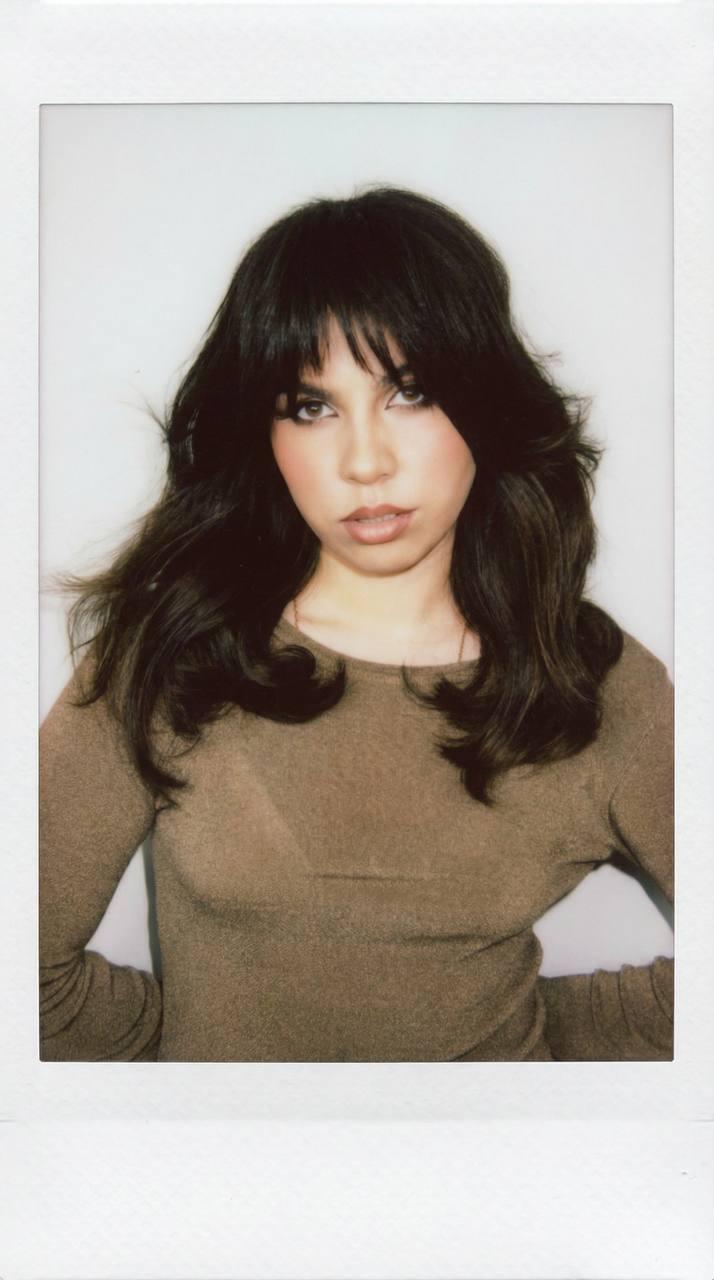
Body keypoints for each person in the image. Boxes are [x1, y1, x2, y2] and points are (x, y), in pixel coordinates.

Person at [39, 186, 673, 1062]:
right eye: (312, 407)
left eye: (410, 394)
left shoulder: (593, 686)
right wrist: (198, 1060)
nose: (365, 461)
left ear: (484, 403)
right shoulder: (171, 649)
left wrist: (517, 1047)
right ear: (265, 432)